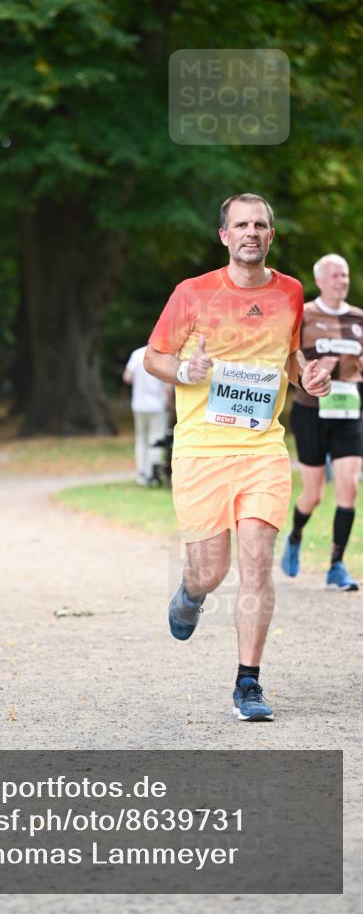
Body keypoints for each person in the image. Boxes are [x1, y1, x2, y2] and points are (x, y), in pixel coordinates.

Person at [144, 193, 331, 721]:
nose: (252, 232)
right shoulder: (192, 292)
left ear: (271, 234)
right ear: (224, 235)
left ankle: (248, 683)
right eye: (241, 224)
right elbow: (155, 356)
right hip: (202, 448)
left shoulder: (291, 292)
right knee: (211, 570)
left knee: (255, 562)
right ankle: (191, 590)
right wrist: (184, 371)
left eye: (261, 224)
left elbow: (290, 357)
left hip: (263, 448)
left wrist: (308, 375)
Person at [281, 254, 362, 592]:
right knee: (313, 494)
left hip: (349, 411)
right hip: (311, 412)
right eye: (334, 275)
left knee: (349, 487)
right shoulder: (305, 315)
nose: (341, 280)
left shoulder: (359, 318)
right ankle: (296, 536)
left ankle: (336, 565)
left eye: (344, 275)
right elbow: (290, 359)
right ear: (320, 280)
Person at [123, 344, 172, 485]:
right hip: (157, 406)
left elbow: (127, 377)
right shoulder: (163, 356)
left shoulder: (137, 354)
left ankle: (141, 473)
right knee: (155, 439)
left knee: (140, 439)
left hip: (139, 404)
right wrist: (169, 405)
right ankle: (153, 474)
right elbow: (168, 387)